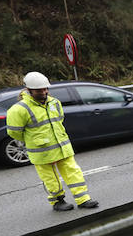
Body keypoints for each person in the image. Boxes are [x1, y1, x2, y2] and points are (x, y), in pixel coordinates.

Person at [6, 72, 98, 211]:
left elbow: (59, 120)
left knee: (73, 172)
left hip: (62, 146)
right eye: (39, 90)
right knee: (51, 178)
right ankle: (57, 201)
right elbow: (14, 132)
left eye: (45, 89)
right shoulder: (19, 109)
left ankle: (83, 199)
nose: (44, 92)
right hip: (41, 150)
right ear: (29, 90)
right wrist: (34, 140)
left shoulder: (54, 102)